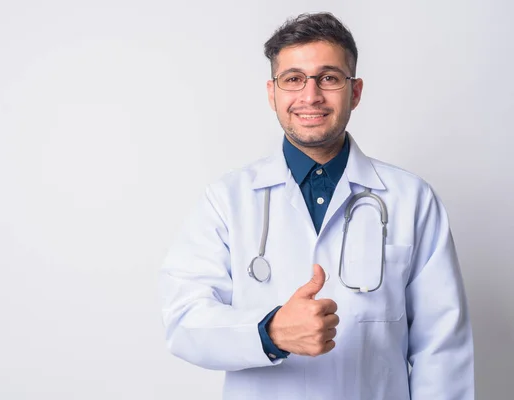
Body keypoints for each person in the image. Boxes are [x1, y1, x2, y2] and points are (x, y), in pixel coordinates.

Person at [159, 12, 474, 400]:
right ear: (272, 93)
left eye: (329, 78)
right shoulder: (226, 200)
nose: (311, 96)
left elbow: (441, 351)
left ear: (355, 92)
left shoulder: (412, 200)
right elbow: (184, 320)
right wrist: (271, 332)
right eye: (293, 79)